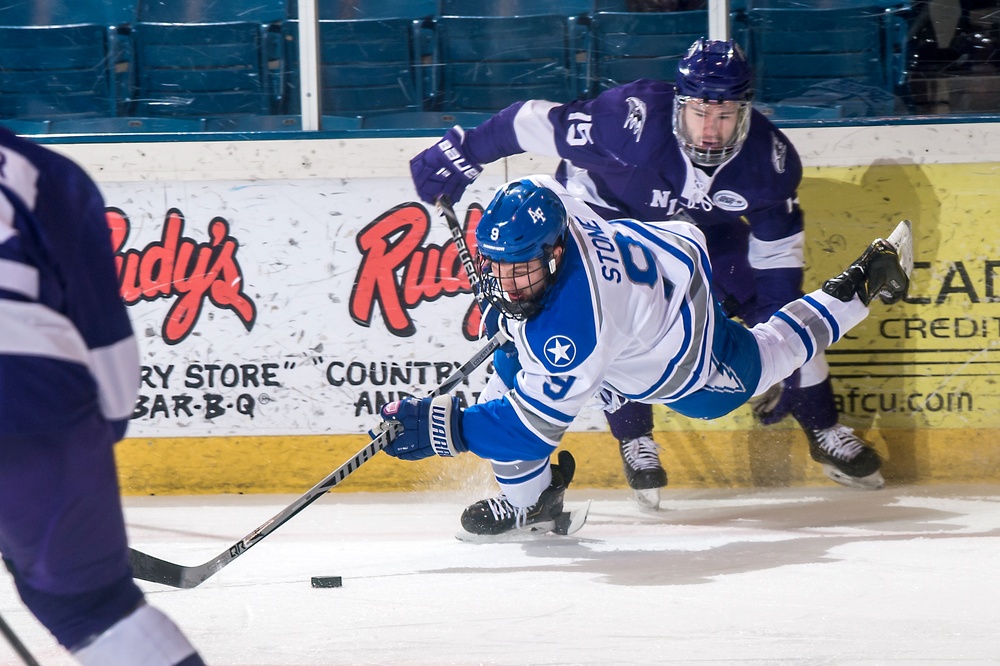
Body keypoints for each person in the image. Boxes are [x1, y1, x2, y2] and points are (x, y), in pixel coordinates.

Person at [409, 38, 886, 510]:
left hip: (699, 240)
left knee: (777, 317)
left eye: (725, 115)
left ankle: (822, 425)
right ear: (680, 104)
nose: (711, 131)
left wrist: (786, 367)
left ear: (746, 111)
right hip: (607, 225)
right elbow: (534, 122)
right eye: (701, 112)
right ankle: (634, 438)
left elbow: (778, 264)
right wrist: (465, 150)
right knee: (612, 325)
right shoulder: (627, 122)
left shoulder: (768, 159)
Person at [375, 176, 912, 537]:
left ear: (554, 251)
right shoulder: (541, 198)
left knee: (765, 359)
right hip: (664, 254)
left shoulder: (574, 329)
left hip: (684, 343)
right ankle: (533, 506)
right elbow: (534, 192)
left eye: (522, 270)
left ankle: (863, 283)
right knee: (512, 367)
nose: (509, 282)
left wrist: (444, 428)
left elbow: (528, 432)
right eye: (501, 268)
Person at [0, 129, 205, 665]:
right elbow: (108, 352)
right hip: (28, 394)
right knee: (95, 611)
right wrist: (80, 452)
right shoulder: (43, 175)